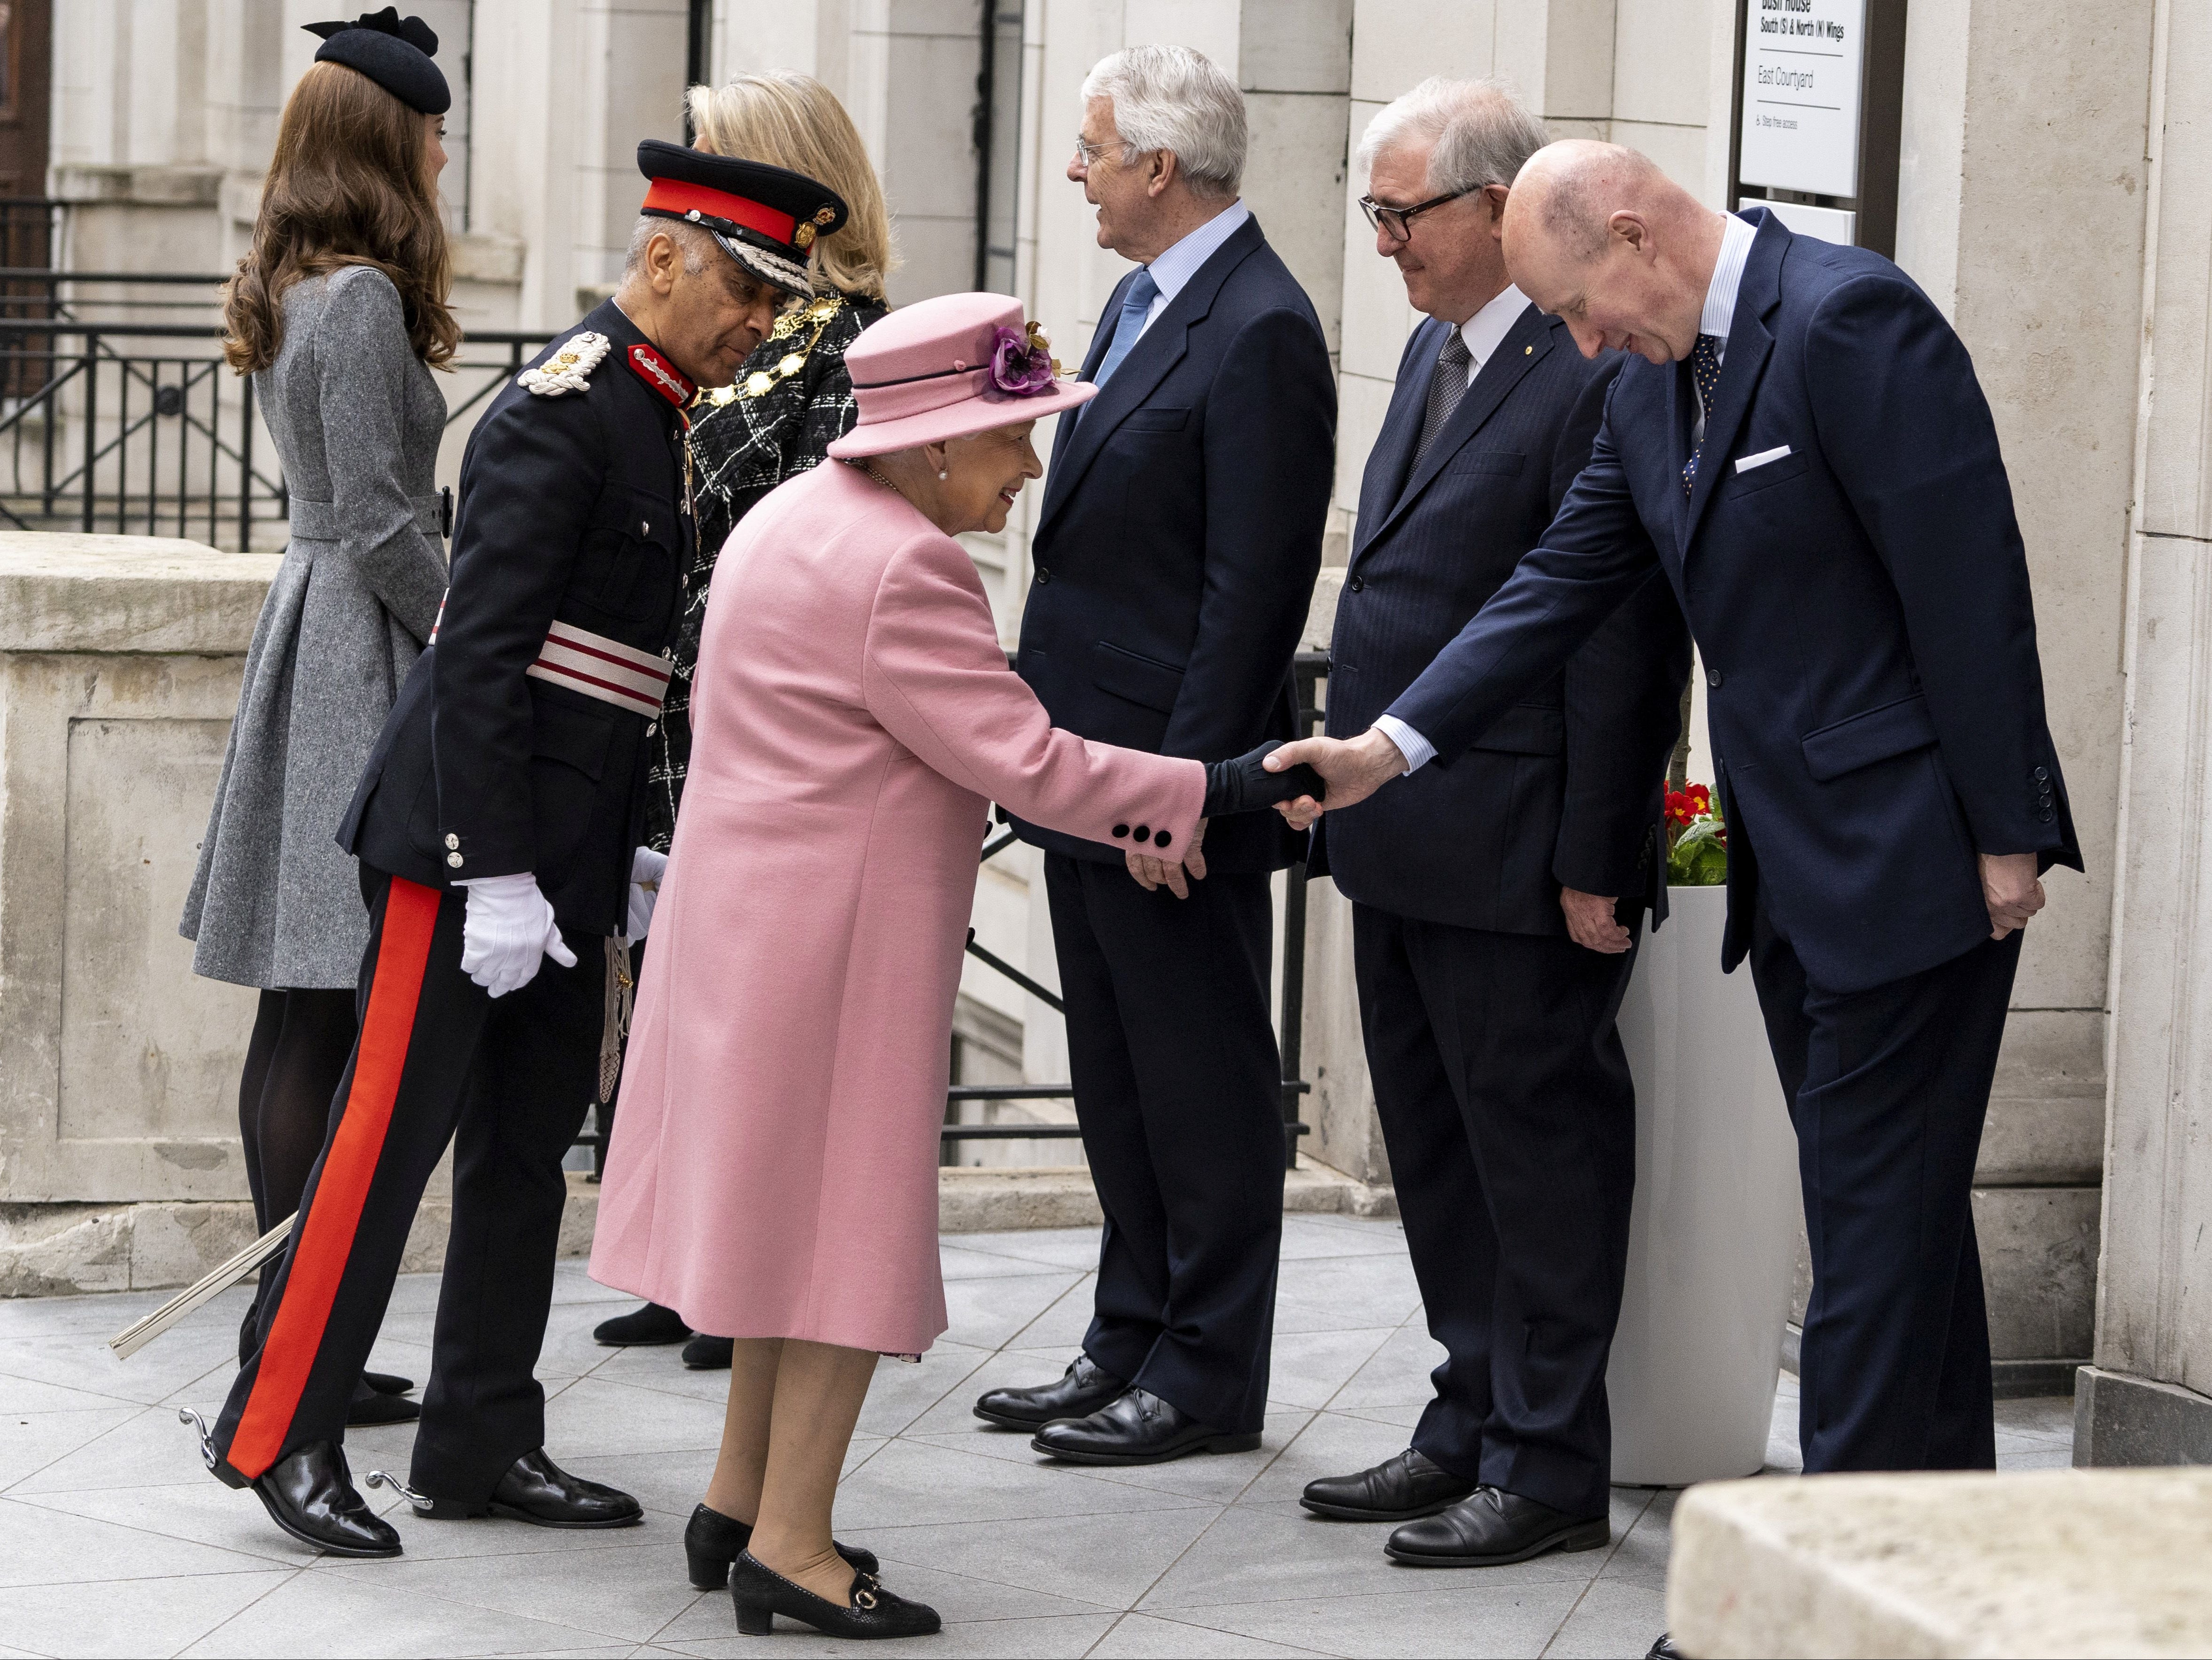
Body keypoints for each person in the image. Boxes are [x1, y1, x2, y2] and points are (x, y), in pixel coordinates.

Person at [1271, 141, 2079, 1517]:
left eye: (1582, 306)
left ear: (1638, 237)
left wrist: (2010, 833)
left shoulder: (1849, 321)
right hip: (1789, 873)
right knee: (1899, 1236)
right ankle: (1941, 1564)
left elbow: (1971, 583)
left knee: (1868, 1264)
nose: (1581, 342)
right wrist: (1383, 749)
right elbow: (1556, 585)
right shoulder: (1647, 385)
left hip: (1909, 858)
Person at [588, 293, 1324, 1639]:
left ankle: (741, 1500)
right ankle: (795, 1549)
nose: (1030, 468)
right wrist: (1226, 785)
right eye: (1013, 438)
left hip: (743, 930)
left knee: (777, 1230)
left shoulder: (788, 518)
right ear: (934, 446)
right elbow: (1029, 761)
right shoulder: (906, 568)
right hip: (832, 954)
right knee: (839, 1247)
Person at [186, 136, 846, 1561]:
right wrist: (485, 866)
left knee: (522, 1154)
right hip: (465, 846)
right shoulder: (562, 410)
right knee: (383, 1146)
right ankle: (277, 1432)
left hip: (565, 847)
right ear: (663, 258)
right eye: (747, 290)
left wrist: (627, 854)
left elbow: (618, 673)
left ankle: (481, 1437)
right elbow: (478, 659)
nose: (759, 325)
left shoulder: (658, 409)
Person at [1291, 84, 1690, 1568]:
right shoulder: (1427, 345)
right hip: (1401, 831)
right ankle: (1467, 1411)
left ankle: (1548, 1458)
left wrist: (1601, 852)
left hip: (1522, 845)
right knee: (1440, 1151)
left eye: (1403, 213)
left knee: (1538, 1157)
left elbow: (1618, 627)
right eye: (1378, 213)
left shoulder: (1591, 357)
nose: (1383, 240)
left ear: (1494, 208)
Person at [968, 43, 1337, 1467]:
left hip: (1168, 792)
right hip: (1083, 764)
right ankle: (1127, 1335)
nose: (1076, 172)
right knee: (1116, 1074)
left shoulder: (1262, 328)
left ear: (1160, 167)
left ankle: (1204, 1371)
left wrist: (1179, 799)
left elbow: (1254, 592)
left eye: (1092, 149)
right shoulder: (1139, 296)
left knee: (1202, 1080)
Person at [178, 10, 457, 1435]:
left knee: (311, 1004)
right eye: (431, 131)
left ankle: (290, 1323)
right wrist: (474, 625)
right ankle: (293, 1334)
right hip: (357, 641)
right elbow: (379, 516)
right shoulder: (351, 301)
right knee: (322, 996)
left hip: (326, 630)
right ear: (384, 142)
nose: (445, 152)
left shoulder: (306, 283)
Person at [595, 70, 897, 1369]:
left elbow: (832, 533)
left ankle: (739, 1280)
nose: (702, 179)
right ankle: (677, 1261)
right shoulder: (694, 312)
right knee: (661, 994)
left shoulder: (850, 341)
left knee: (744, 1005)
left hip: (749, 709)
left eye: (720, 152)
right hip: (649, 699)